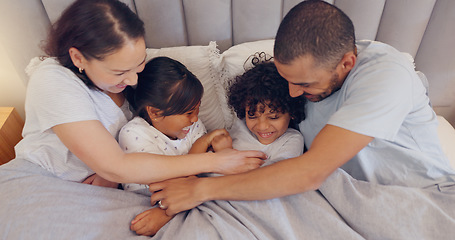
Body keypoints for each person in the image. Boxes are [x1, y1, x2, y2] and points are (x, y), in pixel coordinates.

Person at [148, 0, 455, 217]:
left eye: (305, 84)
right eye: (287, 81)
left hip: (419, 195)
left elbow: (310, 173)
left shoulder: (386, 75)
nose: (293, 93)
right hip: (335, 195)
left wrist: (200, 191)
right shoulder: (302, 86)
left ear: (347, 63)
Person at [9, 0, 265, 190]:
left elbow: (115, 170)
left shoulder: (135, 84)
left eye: (139, 63)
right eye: (119, 72)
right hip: (46, 180)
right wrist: (215, 163)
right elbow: (115, 164)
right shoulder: (53, 79)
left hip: (107, 189)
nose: (133, 80)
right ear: (78, 58)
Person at [131, 60, 307, 236]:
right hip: (202, 194)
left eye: (274, 117)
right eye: (252, 115)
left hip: (238, 198)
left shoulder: (292, 140)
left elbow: (275, 179)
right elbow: (205, 165)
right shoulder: (240, 126)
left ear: (291, 112)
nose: (262, 126)